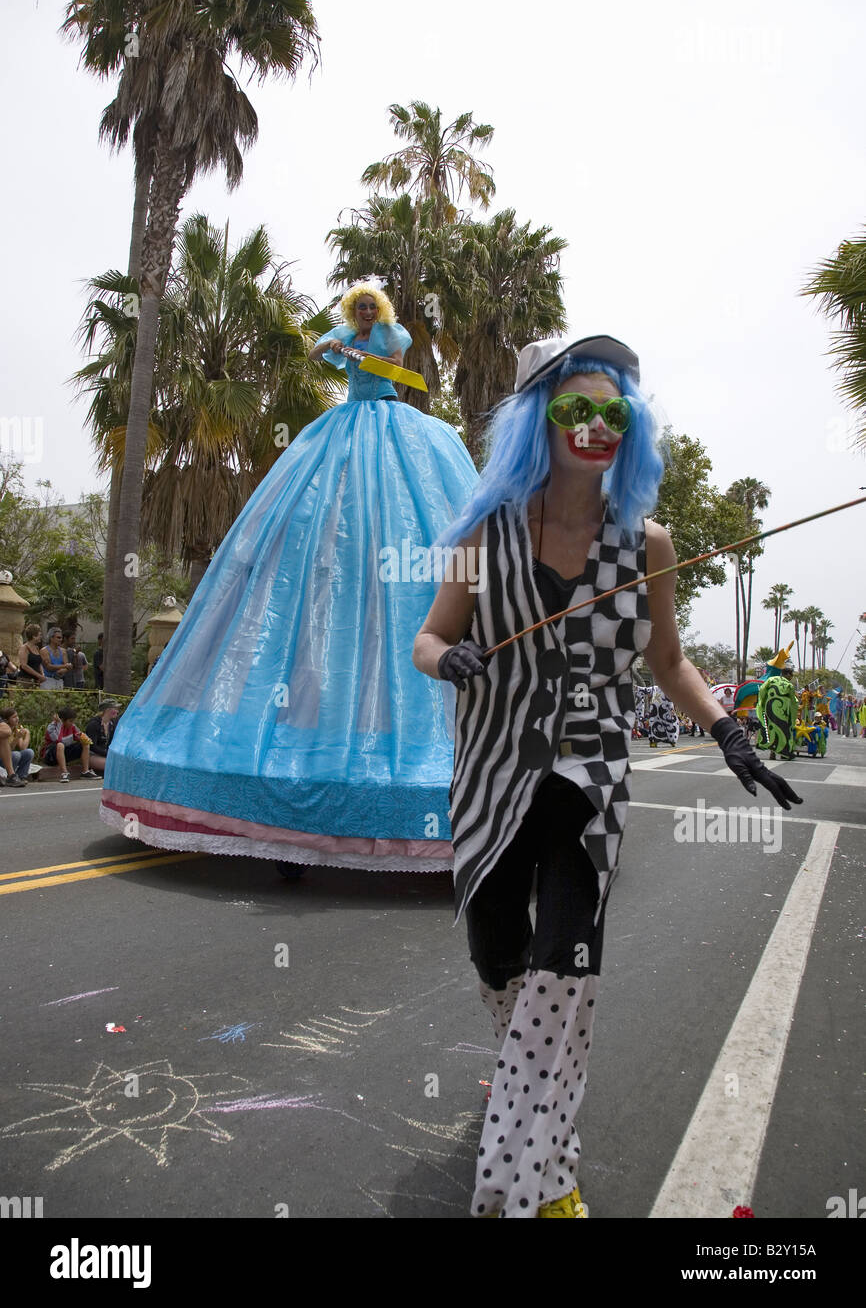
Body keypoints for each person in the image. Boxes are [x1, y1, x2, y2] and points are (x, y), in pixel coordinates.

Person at [413, 333, 802, 1219]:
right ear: (535, 425)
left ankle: (539, 1181)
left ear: (633, 428)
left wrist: (730, 733)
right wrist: (452, 661)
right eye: (573, 409)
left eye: (613, 412)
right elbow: (426, 637)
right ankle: (523, 1081)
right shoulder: (484, 535)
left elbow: (668, 664)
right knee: (499, 956)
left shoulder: (650, 545)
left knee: (566, 971)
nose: (595, 426)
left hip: (587, 785)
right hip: (491, 783)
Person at [99, 283, 477, 868]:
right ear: (353, 310)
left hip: (393, 428)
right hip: (341, 429)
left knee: (404, 554)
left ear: (384, 310)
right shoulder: (344, 335)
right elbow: (315, 353)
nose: (368, 313)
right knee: (312, 542)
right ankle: (287, 806)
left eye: (373, 306)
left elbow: (397, 373)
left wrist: (362, 356)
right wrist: (333, 348)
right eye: (360, 308)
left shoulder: (392, 338)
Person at [41, 707, 97, 782]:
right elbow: (58, 740)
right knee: (60, 745)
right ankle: (64, 773)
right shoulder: (52, 727)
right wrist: (59, 724)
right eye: (70, 721)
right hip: (51, 756)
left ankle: (85, 772)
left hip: (64, 753)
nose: (72, 723)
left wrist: (84, 738)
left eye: (73, 721)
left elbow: (79, 735)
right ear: (62, 720)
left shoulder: (72, 726)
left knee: (85, 743)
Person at [0, 707, 34, 786]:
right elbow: (8, 748)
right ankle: (8, 776)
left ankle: (21, 776)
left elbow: (23, 747)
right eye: (14, 717)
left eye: (17, 716)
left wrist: (27, 734)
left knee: (29, 752)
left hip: (11, 757)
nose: (17, 719)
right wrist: (17, 738)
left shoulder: (16, 729)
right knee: (16, 754)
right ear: (6, 720)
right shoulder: (3, 730)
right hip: (2, 759)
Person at [84, 700, 120, 776]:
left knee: (121, 762)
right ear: (107, 710)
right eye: (115, 709)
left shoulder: (111, 724)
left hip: (105, 754)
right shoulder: (94, 724)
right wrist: (107, 753)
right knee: (114, 765)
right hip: (93, 755)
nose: (117, 711)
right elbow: (92, 746)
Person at [17, 624, 46, 688]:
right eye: (40, 635)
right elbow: (24, 665)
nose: (41, 636)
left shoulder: (37, 648)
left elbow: (39, 663)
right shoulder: (24, 648)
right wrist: (39, 676)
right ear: (34, 636)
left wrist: (42, 674)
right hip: (25, 680)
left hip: (36, 681)